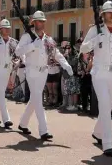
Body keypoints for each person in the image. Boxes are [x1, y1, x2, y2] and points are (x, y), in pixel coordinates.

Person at [15, 10, 73, 140]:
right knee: (38, 99)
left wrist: (65, 64)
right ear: (34, 22)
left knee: (34, 99)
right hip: (31, 71)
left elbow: (56, 53)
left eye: (43, 21)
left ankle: (23, 123)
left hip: (43, 72)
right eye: (39, 21)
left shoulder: (48, 39)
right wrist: (31, 46)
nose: (41, 23)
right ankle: (43, 130)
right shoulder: (27, 37)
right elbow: (18, 51)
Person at [79, 0, 112, 157]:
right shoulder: (95, 29)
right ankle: (108, 144)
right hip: (99, 72)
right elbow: (83, 48)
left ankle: (97, 132)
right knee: (104, 105)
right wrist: (97, 39)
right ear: (103, 14)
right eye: (109, 12)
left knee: (108, 107)